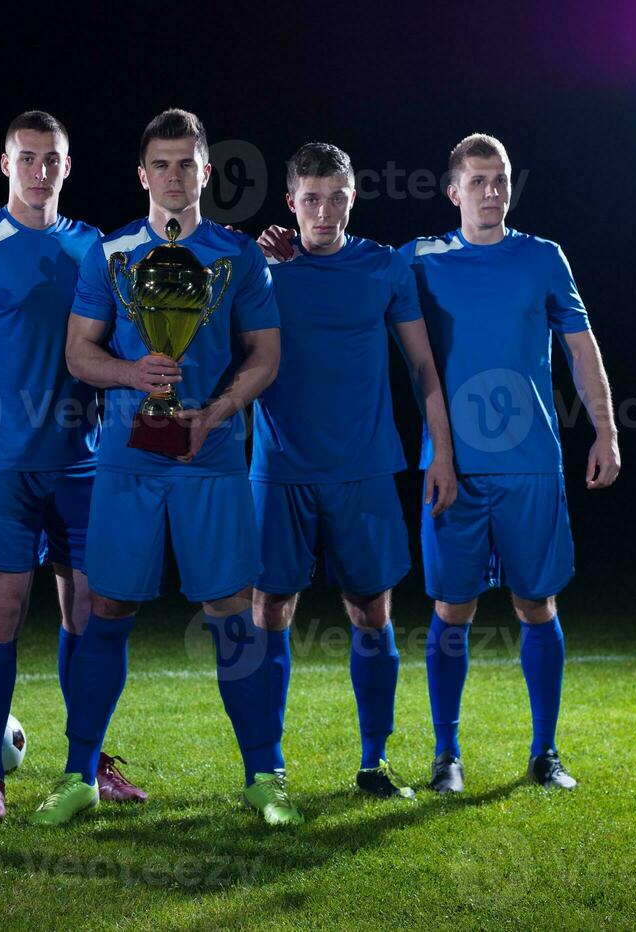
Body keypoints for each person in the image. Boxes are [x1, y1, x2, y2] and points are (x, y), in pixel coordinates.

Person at [30, 108, 286, 826]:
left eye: (186, 164)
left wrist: (218, 410)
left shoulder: (238, 256)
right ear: (143, 176)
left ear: (206, 172)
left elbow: (265, 355)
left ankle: (263, 776)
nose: (174, 177)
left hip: (209, 455)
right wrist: (127, 372)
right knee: (105, 609)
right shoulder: (107, 255)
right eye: (161, 166)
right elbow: (79, 352)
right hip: (129, 457)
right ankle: (80, 773)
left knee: (232, 614)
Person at [0, 110, 146, 822]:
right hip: (3, 468)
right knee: (2, 612)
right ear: (5, 162)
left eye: (52, 159)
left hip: (83, 466)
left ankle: (88, 764)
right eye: (27, 157)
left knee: (86, 615)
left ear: (68, 166)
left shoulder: (94, 248)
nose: (39, 170)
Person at [406, 134, 620, 792]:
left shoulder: (542, 258)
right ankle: (447, 756)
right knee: (452, 609)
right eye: (477, 181)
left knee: (536, 603)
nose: (491, 191)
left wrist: (605, 432)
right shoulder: (421, 260)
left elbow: (582, 350)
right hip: (453, 467)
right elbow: (346, 271)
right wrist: (292, 251)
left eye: (499, 180)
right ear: (453, 192)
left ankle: (545, 753)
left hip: (530, 463)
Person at [250, 142, 456, 808]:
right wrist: (256, 260)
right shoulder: (265, 267)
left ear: (352, 197)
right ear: (290, 202)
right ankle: (268, 768)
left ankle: (373, 762)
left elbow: (423, 368)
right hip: (279, 467)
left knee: (371, 609)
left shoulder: (383, 267)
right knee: (270, 608)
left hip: (364, 468)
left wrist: (441, 452)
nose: (323, 211)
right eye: (310, 198)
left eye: (336, 196)